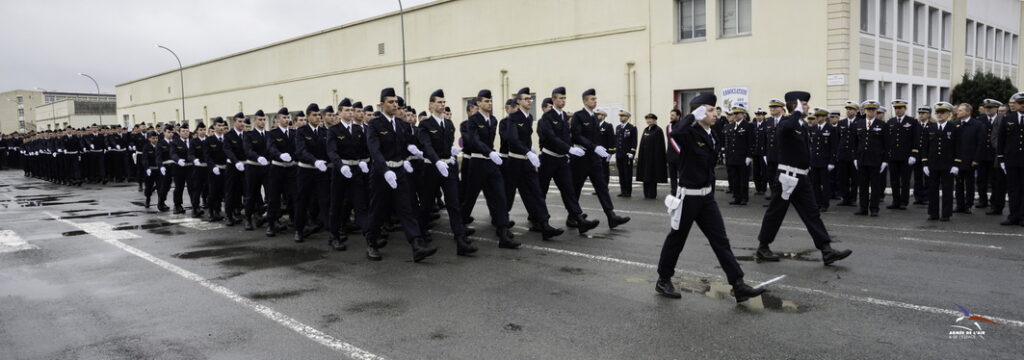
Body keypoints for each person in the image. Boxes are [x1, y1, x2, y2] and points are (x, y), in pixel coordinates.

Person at [654, 93, 765, 303]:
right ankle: (663, 279)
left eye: (715, 109)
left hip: (706, 198)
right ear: (699, 112)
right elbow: (674, 133)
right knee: (676, 239)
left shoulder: (712, 133)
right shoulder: (688, 132)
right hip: (688, 197)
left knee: (721, 241)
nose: (715, 113)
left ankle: (738, 284)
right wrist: (691, 117)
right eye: (710, 110)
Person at [754, 91, 852, 266]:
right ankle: (763, 247)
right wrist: (797, 112)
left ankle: (826, 250)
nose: (808, 107)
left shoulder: (802, 125)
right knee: (776, 213)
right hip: (787, 177)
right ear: (795, 105)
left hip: (802, 177)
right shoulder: (786, 122)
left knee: (812, 214)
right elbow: (786, 129)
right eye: (804, 104)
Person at [365, 87, 439, 261]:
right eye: (390, 102)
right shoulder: (374, 125)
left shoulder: (401, 125)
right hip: (382, 174)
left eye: (396, 102)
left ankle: (416, 245)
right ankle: (371, 243)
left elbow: (410, 142)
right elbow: (374, 151)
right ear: (382, 104)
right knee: (378, 210)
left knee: (406, 208)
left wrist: (416, 150)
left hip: (399, 171)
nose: (394, 105)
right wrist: (385, 170)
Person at [418, 90, 477, 255]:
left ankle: (460, 240)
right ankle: (420, 235)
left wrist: (451, 154)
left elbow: (448, 144)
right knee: (427, 204)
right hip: (431, 168)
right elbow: (426, 146)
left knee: (454, 203)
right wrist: (437, 161)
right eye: (439, 102)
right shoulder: (425, 125)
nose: (442, 105)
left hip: (448, 168)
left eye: (444, 102)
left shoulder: (449, 124)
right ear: (430, 105)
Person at [500, 87, 564, 240]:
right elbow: (513, 139)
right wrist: (527, 151)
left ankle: (543, 224)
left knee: (536, 193)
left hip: (527, 163)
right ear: (519, 101)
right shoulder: (512, 118)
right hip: (515, 161)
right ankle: (502, 226)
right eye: (527, 99)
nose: (530, 101)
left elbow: (525, 139)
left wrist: (530, 150)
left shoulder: (529, 118)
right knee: (508, 196)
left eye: (531, 99)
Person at [460, 89, 520, 248]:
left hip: (491, 164)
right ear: (478, 103)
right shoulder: (473, 121)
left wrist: (492, 154)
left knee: (499, 197)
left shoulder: (493, 120)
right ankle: (459, 229)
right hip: (478, 163)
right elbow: (474, 140)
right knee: (470, 198)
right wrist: (489, 152)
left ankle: (503, 232)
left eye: (491, 100)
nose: (489, 103)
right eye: (486, 101)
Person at [536, 86, 600, 234]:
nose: (563, 101)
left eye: (564, 98)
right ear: (553, 99)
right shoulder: (547, 117)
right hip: (548, 158)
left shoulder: (564, 116)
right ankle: (542, 223)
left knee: (569, 190)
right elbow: (551, 137)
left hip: (561, 160)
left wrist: (569, 152)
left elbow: (566, 136)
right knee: (541, 192)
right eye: (560, 98)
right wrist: (569, 149)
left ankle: (579, 219)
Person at [570, 88, 630, 228]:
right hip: (582, 157)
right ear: (585, 101)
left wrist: (600, 150)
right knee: (576, 188)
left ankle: (611, 216)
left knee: (602, 187)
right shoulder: (578, 116)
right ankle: (572, 216)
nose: (595, 101)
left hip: (594, 158)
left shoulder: (594, 117)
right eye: (592, 99)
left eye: (595, 99)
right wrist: (593, 147)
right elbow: (576, 135)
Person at [293, 104, 331, 243]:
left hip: (321, 172)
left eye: (318, 115)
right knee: (302, 200)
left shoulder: (324, 132)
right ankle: (299, 229)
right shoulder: (301, 131)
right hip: (306, 171)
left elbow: (329, 151)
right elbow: (301, 151)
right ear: (308, 116)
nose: (317, 117)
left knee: (325, 201)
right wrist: (315, 161)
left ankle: (331, 232)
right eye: (314, 115)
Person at [920, 103, 958, 221]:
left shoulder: (954, 128)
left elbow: (959, 147)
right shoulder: (930, 128)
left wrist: (956, 164)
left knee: (947, 190)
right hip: (933, 164)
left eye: (943, 112)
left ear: (948, 114)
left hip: (948, 165)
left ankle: (946, 214)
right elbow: (924, 147)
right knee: (932, 190)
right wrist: (925, 163)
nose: (940, 115)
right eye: (938, 113)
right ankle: (933, 213)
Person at [853, 100, 889, 217]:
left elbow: (886, 145)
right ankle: (863, 208)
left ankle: (874, 208)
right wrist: (855, 158)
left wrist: (884, 161)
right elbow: (856, 143)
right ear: (864, 111)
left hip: (875, 160)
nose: (871, 112)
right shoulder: (859, 124)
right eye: (868, 110)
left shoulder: (882, 125)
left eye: (873, 110)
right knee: (862, 186)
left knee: (875, 186)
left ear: (876, 111)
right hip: (862, 160)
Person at [265, 108, 296, 237]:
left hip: (291, 169)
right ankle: (271, 224)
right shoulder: (272, 134)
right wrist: (279, 155)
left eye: (288, 117)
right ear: (277, 119)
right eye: (284, 117)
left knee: (293, 196)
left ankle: (295, 221)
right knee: (274, 198)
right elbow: (271, 148)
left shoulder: (294, 133)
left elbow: (298, 148)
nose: (286, 120)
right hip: (277, 169)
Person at [885, 100, 919, 210]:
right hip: (893, 156)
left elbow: (916, 139)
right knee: (894, 180)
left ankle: (904, 201)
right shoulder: (890, 122)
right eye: (896, 108)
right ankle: (895, 201)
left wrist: (913, 154)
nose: (898, 110)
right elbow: (887, 140)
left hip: (906, 157)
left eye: (900, 108)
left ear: (905, 109)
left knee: (905, 180)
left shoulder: (912, 121)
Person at [997, 92, 1024, 226]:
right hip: (1011, 159)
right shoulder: (1008, 118)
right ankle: (1013, 216)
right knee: (1013, 189)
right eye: (1021, 103)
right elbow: (1001, 139)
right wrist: (1001, 158)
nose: (1022, 105)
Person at [952, 103, 982, 214]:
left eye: (960, 110)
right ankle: (959, 204)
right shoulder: (955, 124)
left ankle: (968, 204)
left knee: (969, 184)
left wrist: (976, 159)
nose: (957, 112)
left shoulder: (977, 125)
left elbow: (980, 144)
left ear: (968, 112)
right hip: (958, 160)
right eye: (958, 110)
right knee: (958, 183)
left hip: (970, 160)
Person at [808, 108, 837, 212]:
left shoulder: (831, 129)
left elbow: (833, 147)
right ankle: (817, 203)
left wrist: (832, 162)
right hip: (814, 161)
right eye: (816, 116)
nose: (817, 118)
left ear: (825, 117)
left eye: (819, 116)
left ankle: (825, 204)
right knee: (815, 184)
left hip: (825, 161)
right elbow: (811, 145)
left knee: (825, 184)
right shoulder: (813, 128)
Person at [725, 103, 755, 205]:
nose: (736, 115)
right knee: (735, 178)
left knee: (743, 179)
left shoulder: (748, 125)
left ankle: (744, 198)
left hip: (743, 157)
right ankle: (737, 197)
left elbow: (751, 142)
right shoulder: (732, 126)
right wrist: (727, 155)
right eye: (734, 113)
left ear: (743, 114)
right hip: (733, 157)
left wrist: (749, 156)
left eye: (738, 113)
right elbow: (729, 143)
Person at [976, 99, 1002, 213]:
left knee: (995, 180)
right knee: (981, 179)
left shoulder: (1001, 119)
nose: (988, 110)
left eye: (990, 108)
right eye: (986, 108)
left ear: (996, 108)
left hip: (995, 155)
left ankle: (994, 202)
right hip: (982, 154)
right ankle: (983, 200)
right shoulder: (980, 120)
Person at [222, 113, 249, 226]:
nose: (242, 124)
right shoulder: (229, 135)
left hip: (245, 166)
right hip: (233, 167)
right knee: (230, 192)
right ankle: (229, 215)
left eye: (243, 121)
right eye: (239, 121)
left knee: (247, 191)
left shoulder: (247, 135)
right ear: (234, 122)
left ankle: (248, 215)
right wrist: (235, 161)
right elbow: (227, 150)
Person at [636, 113, 667, 199]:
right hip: (645, 157)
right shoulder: (646, 129)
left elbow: (660, 146)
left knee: (652, 175)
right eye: (647, 119)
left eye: (650, 119)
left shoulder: (658, 130)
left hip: (654, 158)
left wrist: (658, 159)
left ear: (654, 120)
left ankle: (652, 194)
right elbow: (642, 143)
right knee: (645, 175)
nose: (648, 121)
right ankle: (646, 193)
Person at [205, 118, 229, 222]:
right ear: (214, 126)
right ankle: (211, 212)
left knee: (224, 192)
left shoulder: (227, 139)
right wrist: (213, 166)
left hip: (226, 169)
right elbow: (207, 156)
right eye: (218, 125)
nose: (221, 128)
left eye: (222, 125)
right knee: (213, 192)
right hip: (214, 169)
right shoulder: (209, 141)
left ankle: (218, 211)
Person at [169, 124, 195, 214]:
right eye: (183, 131)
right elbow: (173, 154)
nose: (185, 133)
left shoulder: (192, 141)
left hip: (190, 167)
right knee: (179, 187)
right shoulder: (174, 142)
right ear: (179, 133)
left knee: (192, 187)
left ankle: (195, 204)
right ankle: (177, 205)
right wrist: (178, 160)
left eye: (187, 131)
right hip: (179, 168)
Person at [614, 110, 638, 197]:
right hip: (619, 154)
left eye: (623, 116)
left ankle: (628, 191)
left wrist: (632, 152)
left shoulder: (632, 128)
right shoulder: (618, 127)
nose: (621, 118)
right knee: (621, 173)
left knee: (627, 173)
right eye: (620, 116)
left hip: (627, 154)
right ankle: (622, 190)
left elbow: (634, 141)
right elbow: (616, 140)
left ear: (627, 117)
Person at [912, 107, 932, 205]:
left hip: (928, 156)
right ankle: (918, 197)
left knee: (928, 178)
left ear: (928, 114)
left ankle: (927, 196)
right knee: (917, 177)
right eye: (919, 113)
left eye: (923, 113)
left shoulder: (932, 125)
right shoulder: (916, 125)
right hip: (917, 155)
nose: (921, 115)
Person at [188, 122, 209, 218]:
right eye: (201, 130)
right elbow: (190, 154)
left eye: (204, 129)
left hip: (209, 168)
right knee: (197, 189)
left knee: (211, 189)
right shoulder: (194, 141)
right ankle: (195, 208)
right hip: (198, 168)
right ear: (197, 131)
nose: (203, 131)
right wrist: (194, 159)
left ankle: (213, 209)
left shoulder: (209, 140)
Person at [139, 131, 161, 208]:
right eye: (153, 138)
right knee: (148, 187)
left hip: (159, 170)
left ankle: (160, 202)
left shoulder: (160, 146)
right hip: (150, 170)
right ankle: (148, 199)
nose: (155, 140)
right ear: (149, 139)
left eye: (156, 138)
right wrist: (147, 168)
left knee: (160, 187)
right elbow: (144, 159)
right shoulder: (146, 147)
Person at [666, 109, 682, 196]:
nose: (671, 116)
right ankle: (674, 192)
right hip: (671, 156)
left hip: (680, 155)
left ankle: (681, 192)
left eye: (673, 115)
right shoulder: (668, 127)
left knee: (682, 176)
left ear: (678, 116)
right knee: (672, 177)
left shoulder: (682, 126)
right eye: (670, 115)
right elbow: (669, 143)